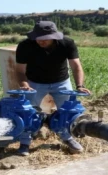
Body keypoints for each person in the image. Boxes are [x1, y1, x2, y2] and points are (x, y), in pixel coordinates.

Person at [15, 20, 91, 156]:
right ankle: (25, 142)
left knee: (66, 112)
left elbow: (76, 66)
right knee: (28, 112)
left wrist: (80, 86)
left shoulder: (67, 43)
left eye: (45, 39)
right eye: (38, 38)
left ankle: (67, 138)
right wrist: (24, 85)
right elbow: (20, 71)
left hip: (61, 81)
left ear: (54, 36)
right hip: (35, 82)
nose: (40, 41)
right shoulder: (25, 45)